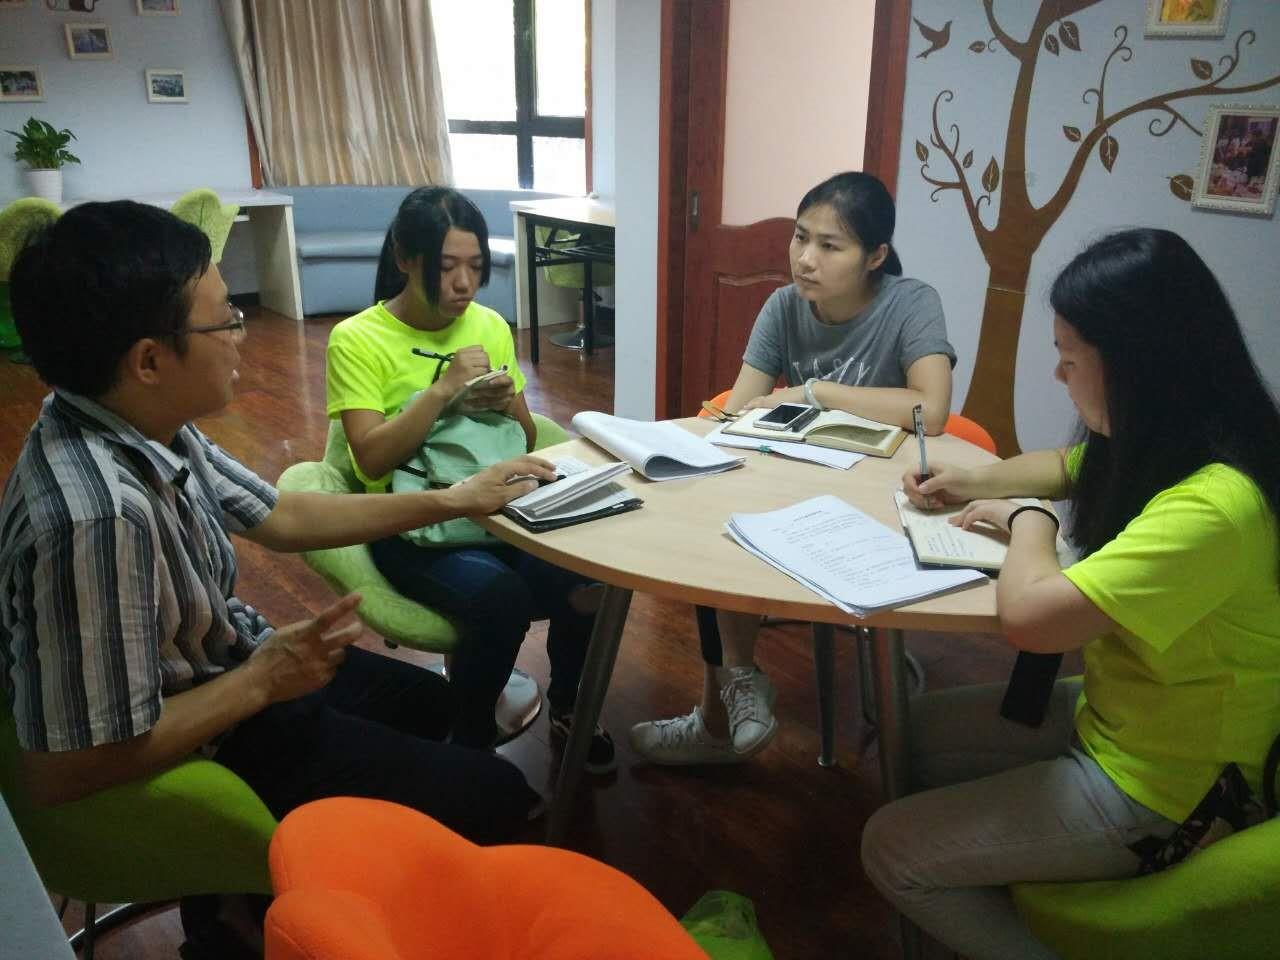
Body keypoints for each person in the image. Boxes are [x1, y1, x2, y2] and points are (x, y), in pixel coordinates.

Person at [0, 201, 558, 952]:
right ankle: (267, 909)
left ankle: (246, 907)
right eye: (224, 319)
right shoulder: (97, 517)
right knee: (500, 795)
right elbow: (65, 769)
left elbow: (282, 515)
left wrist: (453, 498)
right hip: (215, 726)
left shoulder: (130, 421)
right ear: (149, 361)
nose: (241, 333)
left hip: (233, 672)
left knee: (442, 712)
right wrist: (262, 681)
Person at [860, 228, 1280, 959]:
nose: (1057, 374)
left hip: (1168, 787)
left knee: (890, 847)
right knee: (906, 735)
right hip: (1122, 715)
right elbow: (1070, 464)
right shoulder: (1189, 436)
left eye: (1069, 357)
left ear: (1134, 365)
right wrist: (973, 479)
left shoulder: (1216, 507)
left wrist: (1030, 520)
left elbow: (1031, 620)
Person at [629, 171, 956, 765]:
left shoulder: (911, 302)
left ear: (875, 256)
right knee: (720, 518)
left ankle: (720, 716)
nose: (805, 259)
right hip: (799, 482)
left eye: (830, 245)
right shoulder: (784, 305)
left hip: (881, 502)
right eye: (801, 237)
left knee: (741, 520)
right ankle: (732, 691)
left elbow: (929, 411)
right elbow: (739, 409)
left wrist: (814, 391)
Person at [326, 186, 615, 770]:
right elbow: (371, 462)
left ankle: (572, 706)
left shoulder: (488, 325)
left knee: (589, 574)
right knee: (499, 597)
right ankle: (469, 743)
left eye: (476, 267)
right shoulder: (357, 338)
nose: (464, 284)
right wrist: (442, 391)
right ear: (405, 259)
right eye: (446, 266)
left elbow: (523, 438)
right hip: (412, 522)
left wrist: (509, 405)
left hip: (496, 511)